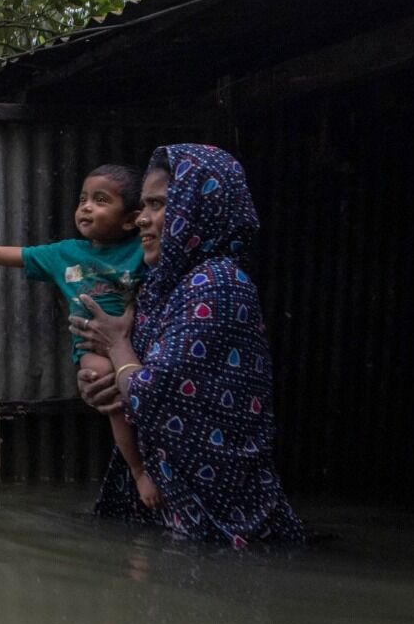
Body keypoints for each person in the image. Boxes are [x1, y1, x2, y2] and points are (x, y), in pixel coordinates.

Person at [71, 144, 306, 548]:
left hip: (221, 523)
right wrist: (99, 387)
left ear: (200, 208)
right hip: (172, 509)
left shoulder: (217, 285)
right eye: (144, 205)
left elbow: (148, 393)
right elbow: (130, 380)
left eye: (159, 204)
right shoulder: (162, 286)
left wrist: (116, 345)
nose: (142, 219)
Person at [0, 165, 158, 508]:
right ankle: (138, 471)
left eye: (100, 200)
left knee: (140, 390)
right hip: (92, 348)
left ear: (129, 220)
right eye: (83, 199)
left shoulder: (141, 248)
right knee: (107, 386)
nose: (86, 207)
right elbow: (23, 255)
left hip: (135, 344)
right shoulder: (67, 253)